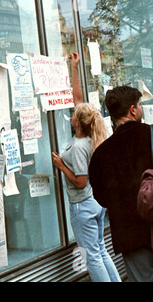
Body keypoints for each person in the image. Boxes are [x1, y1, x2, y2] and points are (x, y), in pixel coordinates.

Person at [51, 52, 121, 282]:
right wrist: (74, 68)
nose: (72, 114)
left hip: (83, 205)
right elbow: (78, 99)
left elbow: (80, 181)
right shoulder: (93, 137)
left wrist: (61, 165)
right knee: (100, 250)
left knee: (92, 256)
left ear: (77, 123)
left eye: (74, 114)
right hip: (95, 203)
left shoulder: (80, 146)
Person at [89, 84, 153, 282]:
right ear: (133, 109)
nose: (141, 109)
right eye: (140, 105)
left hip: (128, 234)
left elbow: (100, 197)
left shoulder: (100, 154)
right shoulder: (150, 135)